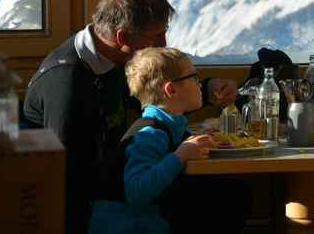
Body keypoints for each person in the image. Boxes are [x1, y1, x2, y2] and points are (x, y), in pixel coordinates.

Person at [22, 0, 238, 234]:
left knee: (229, 192)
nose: (163, 42)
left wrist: (209, 89)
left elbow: (155, 99)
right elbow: (67, 181)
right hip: (102, 206)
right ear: (122, 38)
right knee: (225, 201)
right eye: (155, 35)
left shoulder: (115, 58)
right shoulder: (67, 84)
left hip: (123, 181)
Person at [89, 47, 218, 234]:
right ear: (171, 89)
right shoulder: (149, 133)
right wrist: (180, 155)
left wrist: (194, 140)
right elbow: (137, 192)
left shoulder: (168, 124)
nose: (200, 85)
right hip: (127, 225)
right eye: (195, 78)